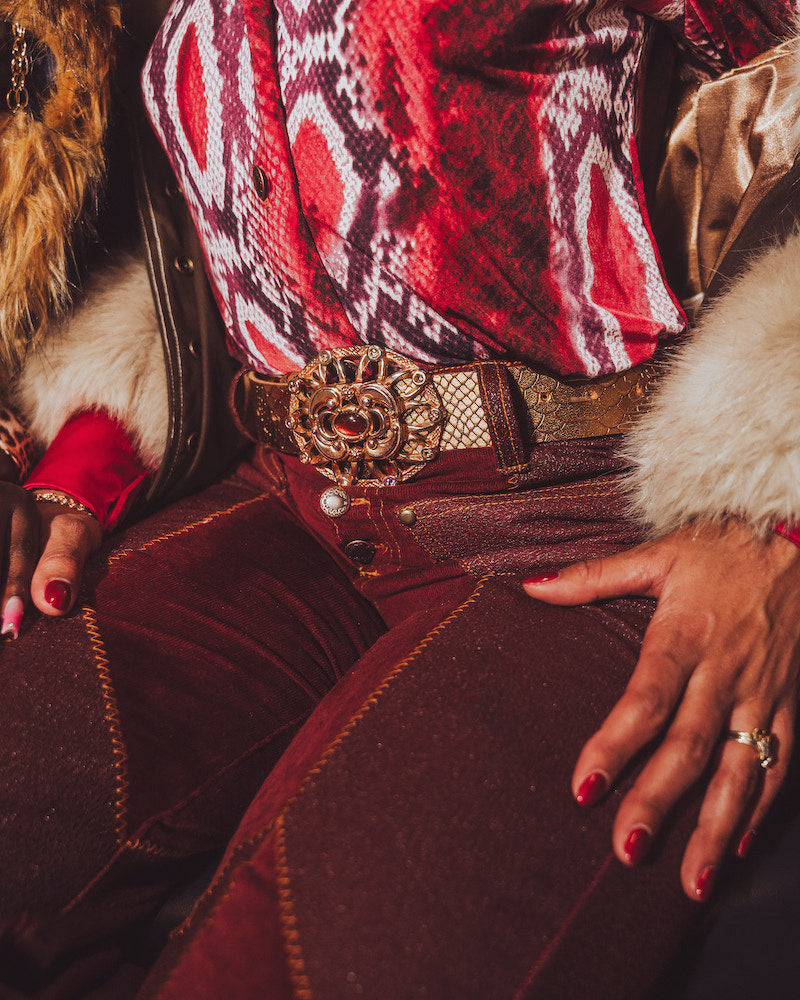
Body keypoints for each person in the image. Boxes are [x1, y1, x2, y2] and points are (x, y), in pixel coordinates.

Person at [2, 1, 800, 997]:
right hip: (279, 487)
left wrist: (779, 528)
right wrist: (93, 442)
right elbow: (182, 205)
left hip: (594, 518)